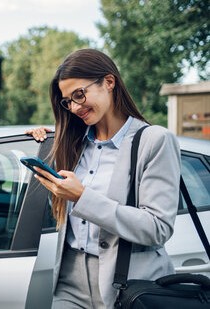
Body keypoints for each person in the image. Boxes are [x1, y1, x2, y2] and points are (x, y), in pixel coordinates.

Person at [26, 49, 180, 308]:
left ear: (109, 82)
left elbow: (158, 227)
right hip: (69, 282)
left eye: (79, 94)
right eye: (68, 101)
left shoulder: (154, 141)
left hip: (130, 287)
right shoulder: (72, 143)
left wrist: (82, 197)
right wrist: (38, 138)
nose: (75, 107)